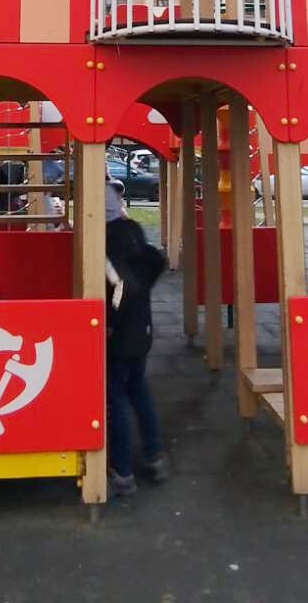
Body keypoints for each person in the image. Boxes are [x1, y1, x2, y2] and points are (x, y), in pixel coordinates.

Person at [103, 178, 169, 497]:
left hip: (120, 334)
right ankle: (154, 455)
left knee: (114, 397)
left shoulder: (104, 244)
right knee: (138, 389)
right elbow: (156, 260)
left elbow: (120, 287)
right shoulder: (133, 233)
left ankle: (122, 471)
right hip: (142, 328)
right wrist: (143, 290)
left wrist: (110, 321)